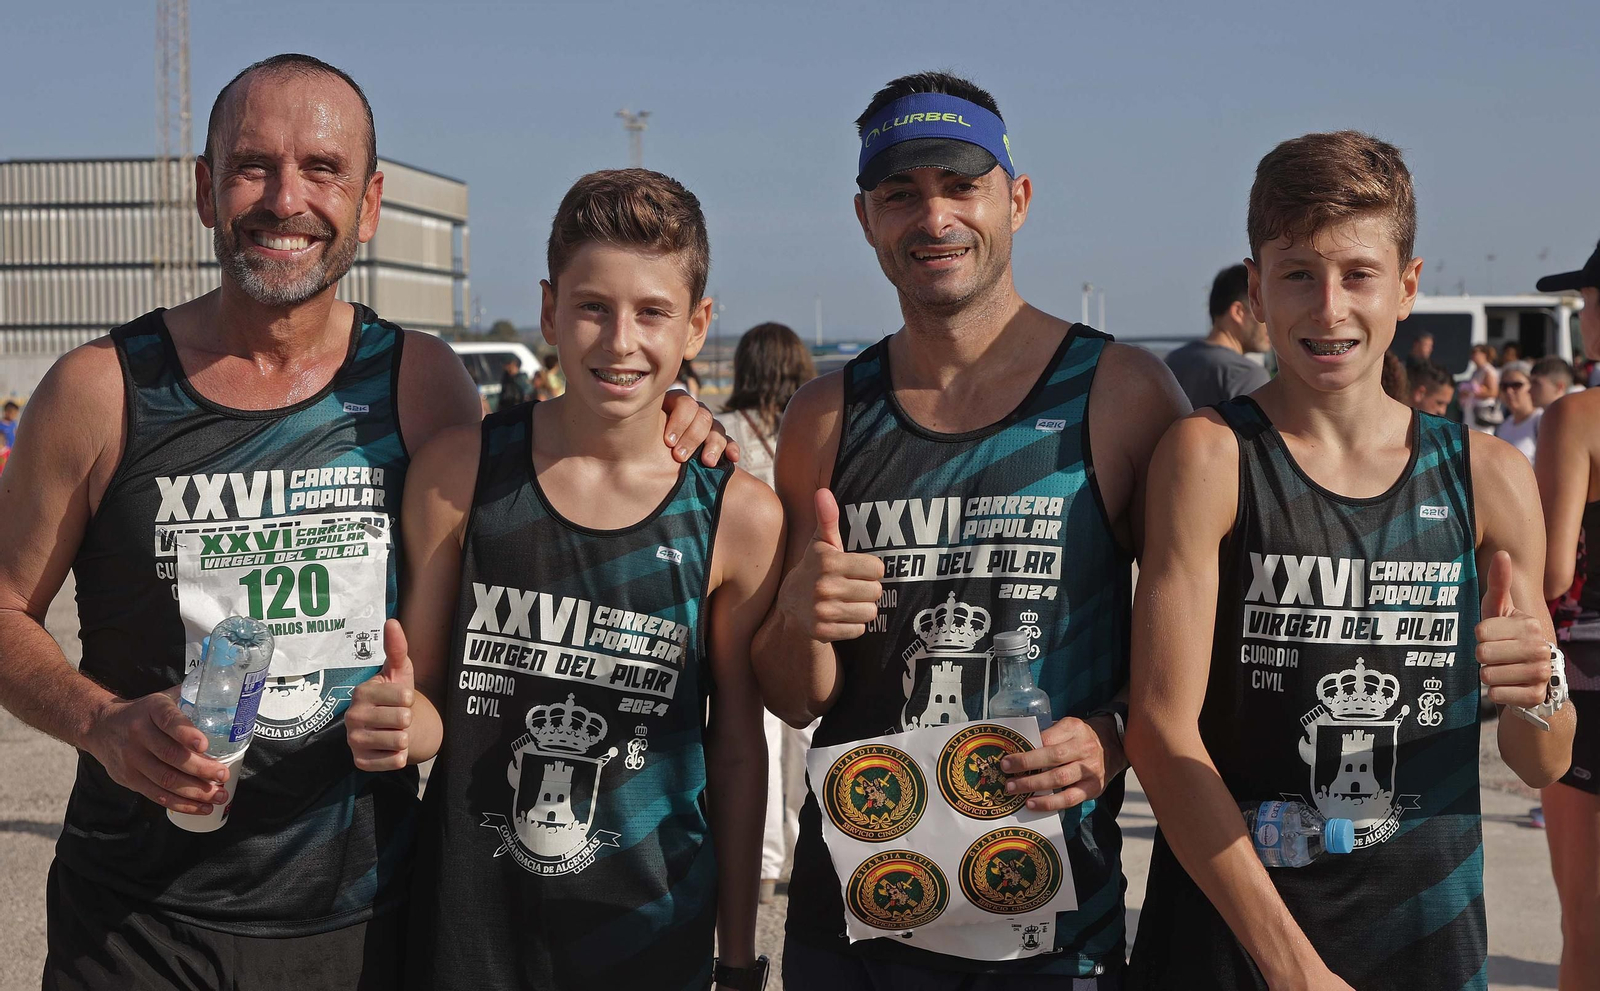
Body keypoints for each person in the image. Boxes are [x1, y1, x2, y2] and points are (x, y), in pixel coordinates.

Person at [0, 55, 731, 991]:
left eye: (323, 169)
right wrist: (100, 722)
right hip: (135, 923)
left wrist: (672, 418)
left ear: (371, 202)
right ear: (205, 189)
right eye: (253, 166)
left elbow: (560, 491)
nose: (286, 199)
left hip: (361, 923)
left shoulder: (421, 386)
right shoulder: (101, 390)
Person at [757, 71, 1189, 989]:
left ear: (1016, 199)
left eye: (962, 185)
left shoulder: (1121, 394)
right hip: (856, 917)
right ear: (865, 217)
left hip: (1049, 915)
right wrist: (798, 618)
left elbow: (1198, 648)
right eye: (900, 194)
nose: (935, 217)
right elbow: (794, 698)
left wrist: (1113, 735)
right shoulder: (824, 416)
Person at [1126, 130, 1573, 991]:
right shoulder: (1210, 457)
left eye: (1359, 274)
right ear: (1256, 289)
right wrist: (1295, 969)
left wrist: (1538, 687)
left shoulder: (1487, 475)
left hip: (1427, 939)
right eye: (1298, 273)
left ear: (1407, 286)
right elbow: (1160, 728)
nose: (1329, 309)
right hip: (1234, 946)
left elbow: (1542, 760)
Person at [346, 169, 780, 991]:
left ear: (697, 325)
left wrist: (735, 959)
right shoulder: (459, 473)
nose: (620, 341)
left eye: (652, 311)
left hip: (651, 940)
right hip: (471, 939)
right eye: (592, 307)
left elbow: (734, 750)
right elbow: (429, 701)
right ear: (549, 311)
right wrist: (400, 722)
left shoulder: (739, 516)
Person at [714, 321, 818, 903]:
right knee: (807, 733)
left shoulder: (723, 428)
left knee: (756, 730)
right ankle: (808, 852)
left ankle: (761, 863)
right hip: (803, 598)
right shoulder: (815, 428)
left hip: (746, 597)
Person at [1532, 239, 1600, 990]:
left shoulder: (1578, 416)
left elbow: (1552, 573)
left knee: (1588, 928)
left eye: (1586, 301)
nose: (1583, 316)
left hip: (1591, 682)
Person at [1165, 263, 1272, 409]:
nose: (1272, 323)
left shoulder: (1173, 360)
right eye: (1265, 311)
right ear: (1238, 312)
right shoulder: (1246, 374)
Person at [1496, 367, 1542, 463]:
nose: (1509, 391)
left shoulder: (1542, 420)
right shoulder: (1504, 426)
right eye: (1504, 386)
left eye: (1516, 385)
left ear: (1531, 387)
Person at [1461, 343, 1502, 429]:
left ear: (1484, 354)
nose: (1473, 355)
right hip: (1473, 409)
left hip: (1483, 411)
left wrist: (1472, 393)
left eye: (1475, 352)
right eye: (1472, 352)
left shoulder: (1489, 371)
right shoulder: (1475, 371)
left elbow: (1493, 392)